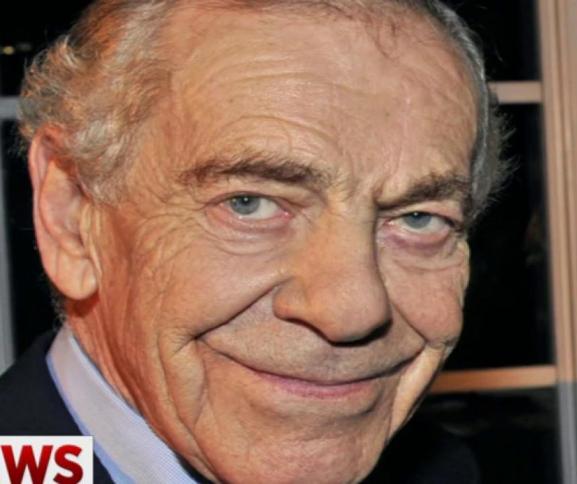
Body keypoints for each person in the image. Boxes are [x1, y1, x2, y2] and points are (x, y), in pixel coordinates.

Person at [0, 0, 507, 482]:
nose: (353, 310)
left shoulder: (447, 472)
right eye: (250, 204)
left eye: (418, 219)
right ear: (73, 217)